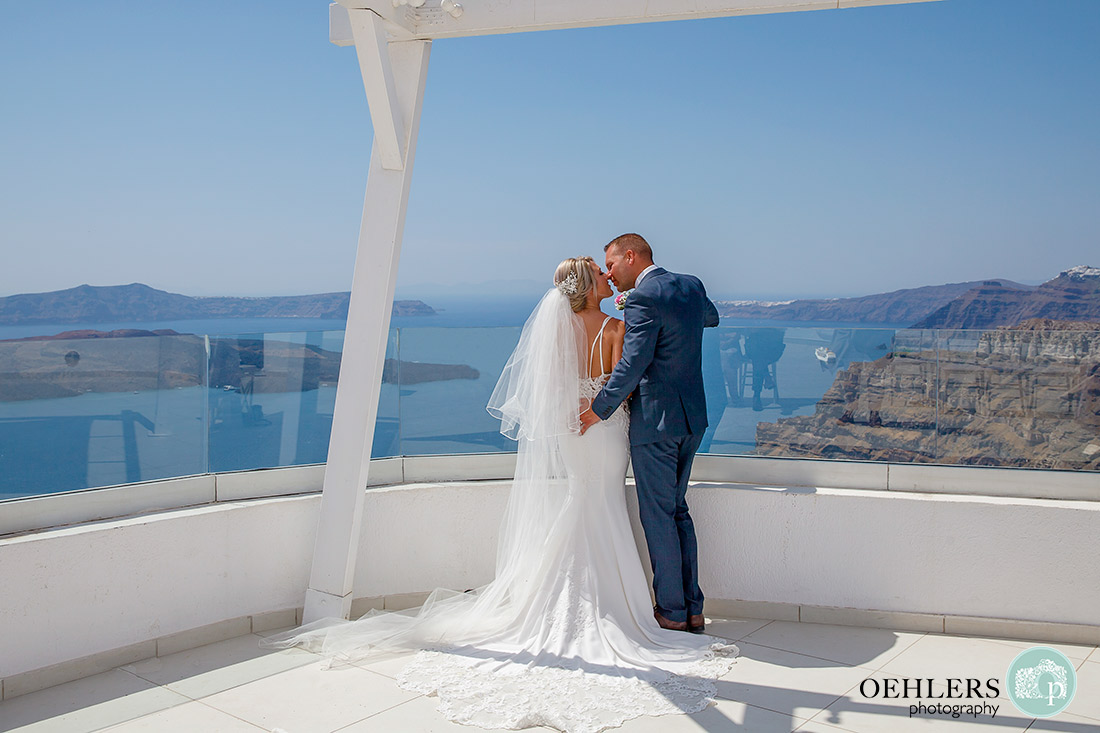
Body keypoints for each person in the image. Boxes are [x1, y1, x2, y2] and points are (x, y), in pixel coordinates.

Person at [264, 256, 737, 733]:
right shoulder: (614, 327)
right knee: (613, 505)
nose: (609, 276)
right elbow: (628, 380)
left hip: (573, 434)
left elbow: (551, 389)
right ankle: (643, 606)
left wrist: (583, 405)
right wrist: (606, 404)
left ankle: (566, 600)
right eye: (602, 272)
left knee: (582, 502)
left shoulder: (557, 332)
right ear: (593, 285)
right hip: (607, 430)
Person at [580, 233, 720, 634]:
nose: (608, 273)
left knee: (658, 515)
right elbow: (709, 317)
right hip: (693, 418)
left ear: (630, 256)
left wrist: (597, 410)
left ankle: (673, 612)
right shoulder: (691, 285)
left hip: (657, 422)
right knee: (678, 511)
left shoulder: (643, 299)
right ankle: (694, 608)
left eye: (611, 264)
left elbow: (633, 364)